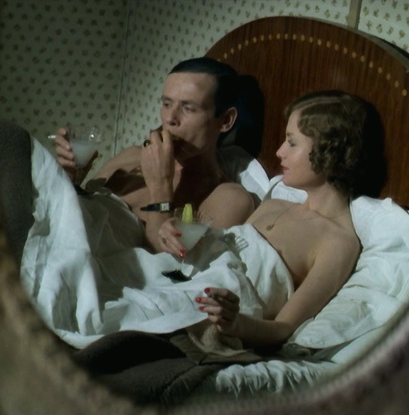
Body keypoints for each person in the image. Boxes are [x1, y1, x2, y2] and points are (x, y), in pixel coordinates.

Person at [158, 90, 382, 348]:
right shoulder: (272, 205)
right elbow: (217, 257)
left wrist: (236, 324)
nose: (279, 152)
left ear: (330, 149)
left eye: (292, 143)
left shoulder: (338, 242)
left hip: (209, 315)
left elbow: (282, 328)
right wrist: (174, 236)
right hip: (176, 287)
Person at [52, 58, 262, 254]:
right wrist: (70, 178)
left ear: (225, 120)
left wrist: (161, 189)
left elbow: (167, 270)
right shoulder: (131, 156)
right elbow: (73, 216)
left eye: (188, 108)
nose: (170, 118)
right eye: (167, 104)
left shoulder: (229, 198)